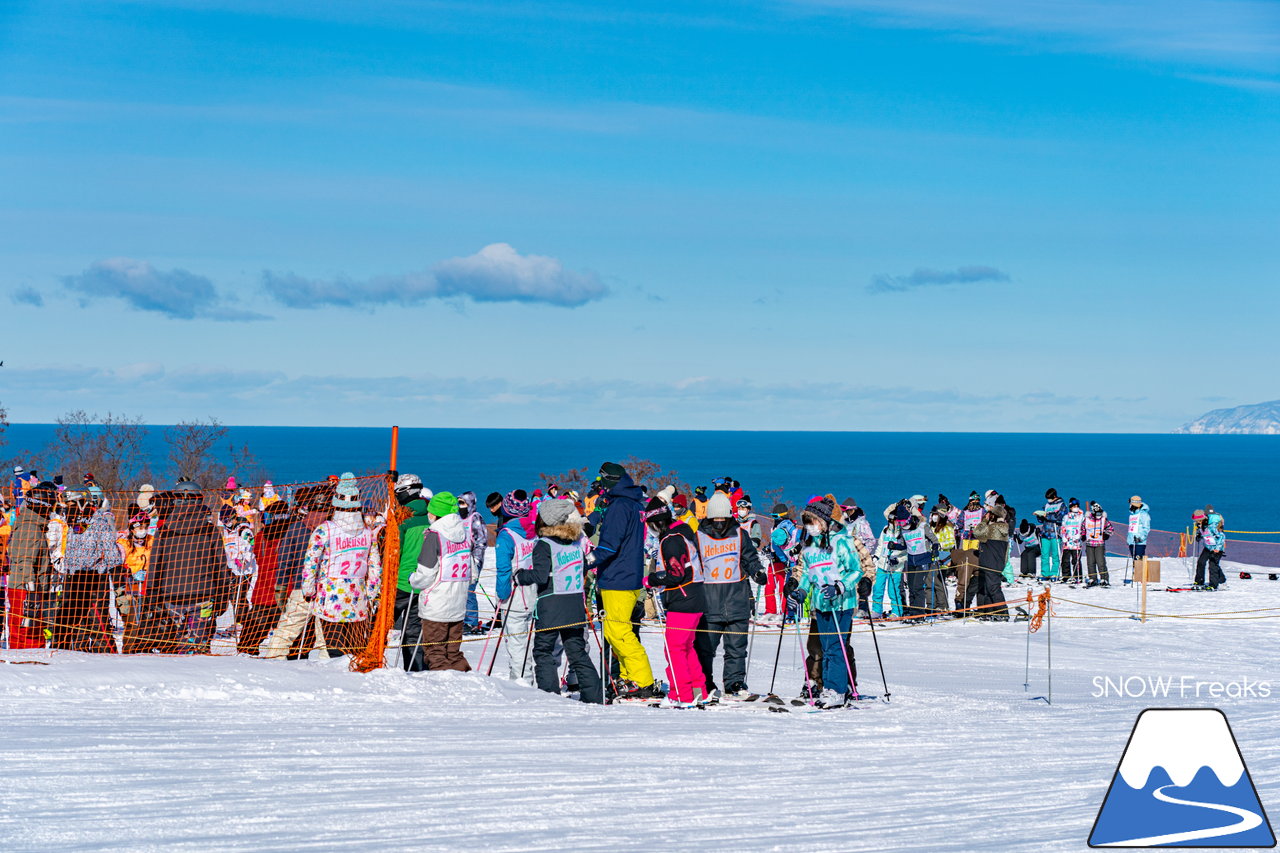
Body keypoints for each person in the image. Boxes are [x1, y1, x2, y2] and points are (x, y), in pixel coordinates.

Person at [514, 499, 602, 703]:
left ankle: (549, 696)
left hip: (551, 605)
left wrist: (520, 576)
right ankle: (594, 696)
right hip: (574, 604)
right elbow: (585, 566)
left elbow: (540, 576)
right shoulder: (575, 543)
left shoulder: (544, 544)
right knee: (577, 651)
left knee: (543, 651)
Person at [588, 462, 657, 701]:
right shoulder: (633, 503)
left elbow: (609, 545)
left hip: (618, 577)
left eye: (602, 479)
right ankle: (630, 677)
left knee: (619, 632)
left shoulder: (619, 506)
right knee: (614, 631)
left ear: (610, 480)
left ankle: (643, 679)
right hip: (627, 574)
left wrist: (586, 560)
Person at [786, 496, 863, 708]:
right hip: (821, 604)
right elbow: (807, 576)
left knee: (835, 648)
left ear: (825, 522)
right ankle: (828, 688)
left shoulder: (842, 542)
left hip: (841, 604)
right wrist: (799, 593)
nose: (810, 527)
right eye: (807, 523)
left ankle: (836, 690)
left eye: (813, 522)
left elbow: (857, 570)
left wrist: (840, 586)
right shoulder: (810, 547)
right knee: (825, 648)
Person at [138, 480, 231, 654]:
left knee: (177, 645)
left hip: (172, 597)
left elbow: (155, 567)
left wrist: (151, 596)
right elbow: (220, 567)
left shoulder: (164, 531)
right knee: (200, 646)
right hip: (203, 596)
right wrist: (222, 597)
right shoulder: (210, 531)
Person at [691, 491, 768, 700]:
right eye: (714, 520)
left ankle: (734, 682)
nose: (719, 524)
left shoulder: (739, 534)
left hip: (737, 600)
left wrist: (758, 572)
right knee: (705, 648)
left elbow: (750, 559)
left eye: (722, 520)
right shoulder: (698, 536)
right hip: (709, 602)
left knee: (736, 648)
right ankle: (704, 682)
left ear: (728, 517)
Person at [300, 473, 382, 658]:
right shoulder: (368, 532)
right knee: (354, 646)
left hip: (330, 596)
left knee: (334, 644)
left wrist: (308, 589)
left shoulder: (325, 529)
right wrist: (371, 592)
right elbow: (375, 565)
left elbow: (311, 561)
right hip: (357, 595)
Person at [643, 497, 707, 708]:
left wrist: (652, 579)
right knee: (686, 647)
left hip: (683, 598)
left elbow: (676, 573)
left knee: (674, 648)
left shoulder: (671, 540)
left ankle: (682, 694)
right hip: (694, 595)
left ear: (657, 522)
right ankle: (699, 690)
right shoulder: (683, 531)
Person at [408, 491, 472, 672]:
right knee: (453, 652)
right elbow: (471, 567)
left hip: (437, 604)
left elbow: (426, 573)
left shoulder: (434, 534)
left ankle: (442, 689)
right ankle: (464, 680)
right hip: (458, 603)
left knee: (435, 653)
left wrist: (413, 579)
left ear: (435, 513)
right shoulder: (464, 534)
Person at [56, 488, 120, 652]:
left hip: (95, 579)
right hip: (73, 578)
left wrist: (112, 567)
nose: (68, 507)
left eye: (70, 503)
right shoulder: (70, 523)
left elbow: (112, 553)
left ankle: (106, 655)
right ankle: (79, 654)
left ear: (81, 502)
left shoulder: (99, 523)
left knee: (97, 620)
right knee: (77, 622)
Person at [262, 491, 323, 659]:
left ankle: (273, 662)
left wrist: (280, 587)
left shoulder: (296, 528)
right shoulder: (333, 528)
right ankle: (327, 670)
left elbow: (284, 561)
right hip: (330, 591)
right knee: (325, 637)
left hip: (301, 589)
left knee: (286, 631)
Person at [237, 500, 291, 655]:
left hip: (270, 591)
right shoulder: (283, 535)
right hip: (277, 591)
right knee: (280, 631)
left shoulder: (263, 536)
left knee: (257, 632)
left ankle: (248, 650)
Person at [6, 481, 55, 648]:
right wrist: (32, 592)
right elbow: (24, 560)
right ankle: (27, 666)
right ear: (43, 505)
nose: (52, 510)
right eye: (51, 505)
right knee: (27, 633)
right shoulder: (30, 528)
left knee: (31, 630)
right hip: (25, 589)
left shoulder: (35, 527)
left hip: (29, 588)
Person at [391, 473, 432, 671]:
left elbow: (393, 552)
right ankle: (415, 670)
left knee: (379, 627)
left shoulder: (402, 518)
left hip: (400, 582)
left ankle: (370, 663)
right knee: (413, 630)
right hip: (423, 582)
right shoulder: (431, 516)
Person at [494, 493, 536, 684]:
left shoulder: (507, 535)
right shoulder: (534, 530)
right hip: (534, 591)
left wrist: (502, 595)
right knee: (529, 642)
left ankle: (522, 683)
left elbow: (503, 569)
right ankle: (530, 679)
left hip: (515, 596)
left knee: (517, 643)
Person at [116, 508, 153, 653]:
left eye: (145, 527)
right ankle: (129, 649)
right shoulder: (123, 542)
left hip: (146, 586)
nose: (142, 530)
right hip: (129, 587)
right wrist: (128, 571)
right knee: (132, 621)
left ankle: (144, 648)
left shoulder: (151, 541)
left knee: (146, 620)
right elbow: (119, 563)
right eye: (139, 527)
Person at [899, 507, 940, 619]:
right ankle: (913, 612)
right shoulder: (903, 530)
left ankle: (919, 614)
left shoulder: (922, 526)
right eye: (899, 522)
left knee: (917, 587)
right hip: (911, 560)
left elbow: (934, 540)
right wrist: (895, 546)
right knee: (911, 588)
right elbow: (903, 545)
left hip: (924, 559)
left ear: (908, 519)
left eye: (902, 522)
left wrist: (935, 548)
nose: (901, 524)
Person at [970, 504, 1010, 620]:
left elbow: (977, 533)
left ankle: (1003, 613)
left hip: (990, 562)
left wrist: (984, 520)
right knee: (989, 588)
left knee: (993, 588)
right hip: (997, 562)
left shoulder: (992, 528)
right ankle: (990, 612)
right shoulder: (1003, 529)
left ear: (994, 515)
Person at [458, 491, 489, 634]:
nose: (460, 506)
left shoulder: (475, 518)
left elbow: (481, 540)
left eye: (463, 503)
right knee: (460, 590)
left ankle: (471, 622)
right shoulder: (459, 518)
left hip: (473, 560)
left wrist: (476, 559)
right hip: (460, 560)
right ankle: (462, 619)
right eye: (459, 503)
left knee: (469, 590)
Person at [765, 503, 800, 624]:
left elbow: (798, 537)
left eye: (775, 516)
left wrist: (798, 549)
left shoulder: (788, 526)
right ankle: (789, 614)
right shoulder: (777, 529)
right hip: (788, 562)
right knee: (787, 587)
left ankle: (793, 613)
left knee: (792, 587)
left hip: (793, 562)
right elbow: (775, 546)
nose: (773, 518)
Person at [871, 504, 908, 619]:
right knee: (877, 588)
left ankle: (897, 611)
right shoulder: (885, 530)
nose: (893, 522)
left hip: (895, 567)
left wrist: (897, 560)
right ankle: (876, 610)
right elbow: (881, 545)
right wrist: (876, 556)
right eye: (891, 520)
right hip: (883, 564)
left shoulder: (902, 533)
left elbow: (905, 552)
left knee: (893, 590)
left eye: (895, 520)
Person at [1193, 508, 1226, 589]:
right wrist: (1199, 536)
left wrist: (1217, 548)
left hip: (1216, 548)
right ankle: (1199, 580)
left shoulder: (1213, 525)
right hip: (1208, 547)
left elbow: (1221, 536)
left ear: (1203, 519)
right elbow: (1203, 533)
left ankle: (1214, 584)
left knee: (1213, 565)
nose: (1197, 522)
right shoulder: (1201, 525)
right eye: (1196, 521)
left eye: (1199, 520)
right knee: (1201, 562)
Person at [1083, 501, 1113, 587]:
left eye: (1100, 512)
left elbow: (1110, 529)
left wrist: (1106, 535)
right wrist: (1083, 535)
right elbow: (1083, 528)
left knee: (1101, 562)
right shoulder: (1087, 519)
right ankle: (1093, 578)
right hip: (1089, 544)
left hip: (1099, 544)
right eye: (1097, 513)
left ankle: (1104, 578)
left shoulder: (1103, 520)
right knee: (1090, 562)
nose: (1099, 515)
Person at [1040, 489, 1065, 581]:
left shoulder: (1061, 505)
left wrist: (1048, 516)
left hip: (1055, 533)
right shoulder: (1047, 505)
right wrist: (1040, 516)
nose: (1049, 500)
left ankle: (1055, 573)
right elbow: (1043, 517)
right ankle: (1045, 573)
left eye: (1050, 498)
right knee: (1044, 555)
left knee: (1055, 555)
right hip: (1045, 533)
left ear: (1054, 497)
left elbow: (1060, 517)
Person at [1061, 498, 1085, 583]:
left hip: (1076, 542)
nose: (1076, 508)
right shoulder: (1066, 517)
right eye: (1074, 506)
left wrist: (1080, 535)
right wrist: (1063, 536)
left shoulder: (1081, 516)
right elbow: (1063, 527)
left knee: (1076, 560)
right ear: (1070, 507)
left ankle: (1077, 576)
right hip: (1067, 542)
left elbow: (1083, 527)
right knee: (1065, 560)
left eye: (1077, 506)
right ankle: (1066, 576)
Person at [1127, 496, 1150, 567]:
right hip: (1131, 541)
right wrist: (1129, 539)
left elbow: (1146, 528)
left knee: (1139, 562)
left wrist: (1140, 538)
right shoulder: (1132, 515)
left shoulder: (1144, 515)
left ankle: (1139, 577)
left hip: (1139, 543)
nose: (1129, 506)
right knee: (1134, 562)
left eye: (1130, 504)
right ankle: (1136, 576)